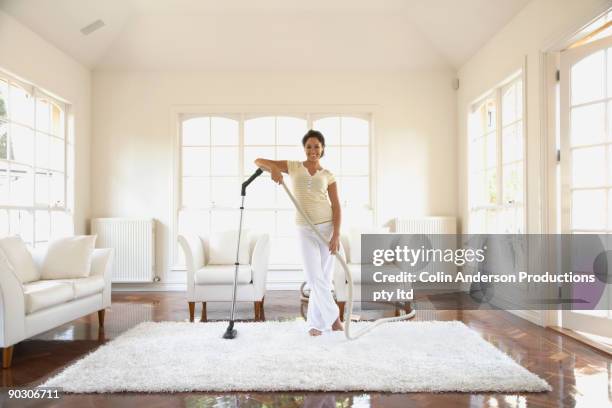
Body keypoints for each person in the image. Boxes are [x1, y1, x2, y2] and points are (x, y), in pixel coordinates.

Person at [255, 129, 343, 336]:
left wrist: (336, 235)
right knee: (314, 277)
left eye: (317, 146)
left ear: (322, 149)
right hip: (305, 229)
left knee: (323, 278)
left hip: (327, 228)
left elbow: (337, 207)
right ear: (304, 149)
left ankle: (314, 324)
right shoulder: (294, 167)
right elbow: (258, 161)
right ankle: (335, 320)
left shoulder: (328, 175)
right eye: (309, 146)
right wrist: (274, 169)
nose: (313, 150)